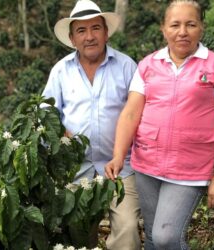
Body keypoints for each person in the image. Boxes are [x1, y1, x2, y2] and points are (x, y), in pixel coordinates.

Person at [105, 0, 214, 249]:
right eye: (175, 25)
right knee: (154, 236)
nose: (182, 32)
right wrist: (117, 156)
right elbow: (130, 114)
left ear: (202, 27)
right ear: (163, 29)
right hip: (147, 165)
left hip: (189, 171)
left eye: (191, 24)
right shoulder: (148, 65)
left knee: (168, 236)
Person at [42, 0, 141, 249]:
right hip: (76, 170)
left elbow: (141, 112)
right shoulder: (61, 71)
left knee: (128, 229)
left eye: (95, 28)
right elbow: (45, 114)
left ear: (106, 32)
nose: (90, 37)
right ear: (73, 38)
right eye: (81, 31)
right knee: (77, 233)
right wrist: (58, 140)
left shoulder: (127, 66)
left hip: (121, 168)